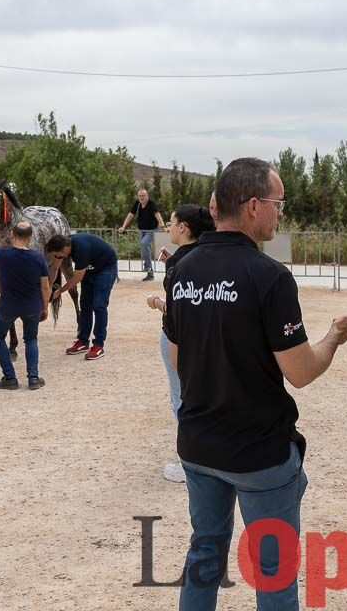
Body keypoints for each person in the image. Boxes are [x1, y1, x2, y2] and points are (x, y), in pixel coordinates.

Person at [164, 158, 347, 611]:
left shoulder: (182, 270)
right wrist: (334, 336)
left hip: (198, 445)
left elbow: (178, 358)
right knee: (274, 574)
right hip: (258, 453)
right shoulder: (269, 276)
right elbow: (301, 372)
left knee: (204, 554)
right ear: (254, 205)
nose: (281, 213)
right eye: (278, 203)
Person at [145, 203, 216, 483]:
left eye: (171, 224)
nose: (169, 228)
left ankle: (191, 461)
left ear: (183, 227)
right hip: (205, 338)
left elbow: (178, 309)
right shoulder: (207, 256)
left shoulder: (180, 263)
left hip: (178, 337)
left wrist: (156, 303)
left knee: (181, 399)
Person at [0, 219, 51, 390]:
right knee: (31, 339)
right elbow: (45, 285)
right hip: (32, 305)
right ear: (30, 236)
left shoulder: (2, 255)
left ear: (12, 234)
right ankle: (33, 378)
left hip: (8, 304)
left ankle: (10, 377)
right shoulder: (38, 257)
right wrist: (45, 307)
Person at [46, 232, 118, 361]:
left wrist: (60, 291)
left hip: (106, 269)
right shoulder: (66, 243)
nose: (57, 257)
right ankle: (83, 341)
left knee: (99, 306)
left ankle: (98, 345)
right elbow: (56, 268)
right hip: (90, 270)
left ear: (66, 249)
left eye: (58, 254)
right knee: (85, 306)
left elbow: (77, 278)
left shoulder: (81, 249)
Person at [119, 188, 165, 281]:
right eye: (139, 196)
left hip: (152, 229)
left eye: (143, 196)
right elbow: (130, 215)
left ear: (147, 196)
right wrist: (123, 226)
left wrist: (163, 226)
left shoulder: (151, 204)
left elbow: (157, 215)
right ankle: (150, 274)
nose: (141, 197)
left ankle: (147, 266)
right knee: (144, 247)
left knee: (144, 243)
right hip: (141, 230)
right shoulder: (137, 204)